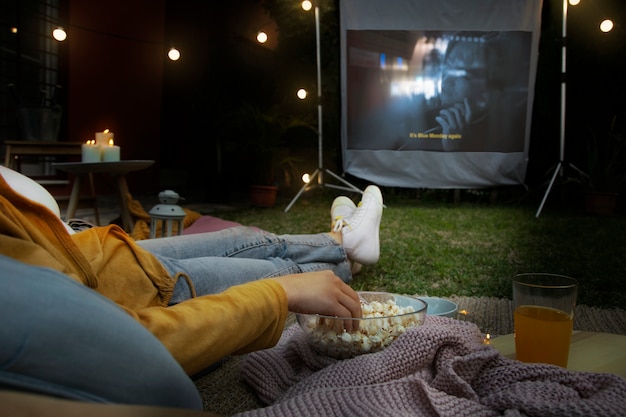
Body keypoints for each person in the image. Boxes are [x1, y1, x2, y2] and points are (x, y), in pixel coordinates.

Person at [0, 165, 383, 409]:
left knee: (247, 237)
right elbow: (122, 341)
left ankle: (342, 239)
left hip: (105, 250)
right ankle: (346, 247)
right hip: (154, 292)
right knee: (276, 269)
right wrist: (280, 293)